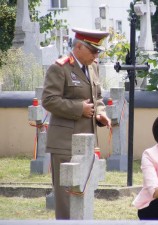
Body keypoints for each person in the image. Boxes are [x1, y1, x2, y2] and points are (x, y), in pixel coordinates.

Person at [42, 27, 111, 219]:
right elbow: (48, 100)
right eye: (93, 50)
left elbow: (97, 97)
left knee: (85, 190)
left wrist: (100, 113)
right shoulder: (60, 67)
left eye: (98, 51)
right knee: (66, 196)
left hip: (87, 143)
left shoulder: (93, 66)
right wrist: (78, 109)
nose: (96, 55)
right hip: (65, 143)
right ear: (79, 47)